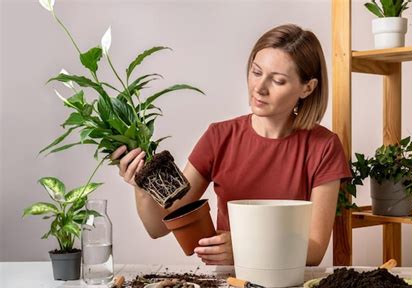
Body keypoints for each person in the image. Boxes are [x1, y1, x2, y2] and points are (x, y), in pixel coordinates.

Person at [111, 24, 351, 266]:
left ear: (307, 88)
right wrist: (142, 188)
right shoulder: (219, 137)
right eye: (256, 72)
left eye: (277, 81)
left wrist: (246, 249)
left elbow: (315, 249)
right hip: (228, 287)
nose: (260, 88)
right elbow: (158, 227)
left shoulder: (324, 147)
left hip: (291, 287)